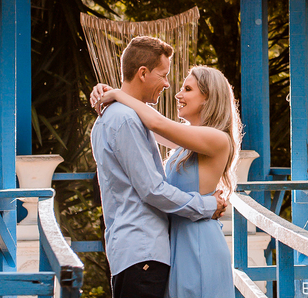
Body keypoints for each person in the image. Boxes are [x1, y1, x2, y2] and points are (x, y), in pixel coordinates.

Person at [90, 36, 227, 298]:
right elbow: (152, 185)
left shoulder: (214, 138)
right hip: (156, 246)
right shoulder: (129, 120)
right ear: (143, 73)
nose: (171, 87)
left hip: (187, 242)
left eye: (187, 89)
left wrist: (117, 94)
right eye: (163, 75)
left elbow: (157, 124)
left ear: (209, 98)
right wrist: (116, 94)